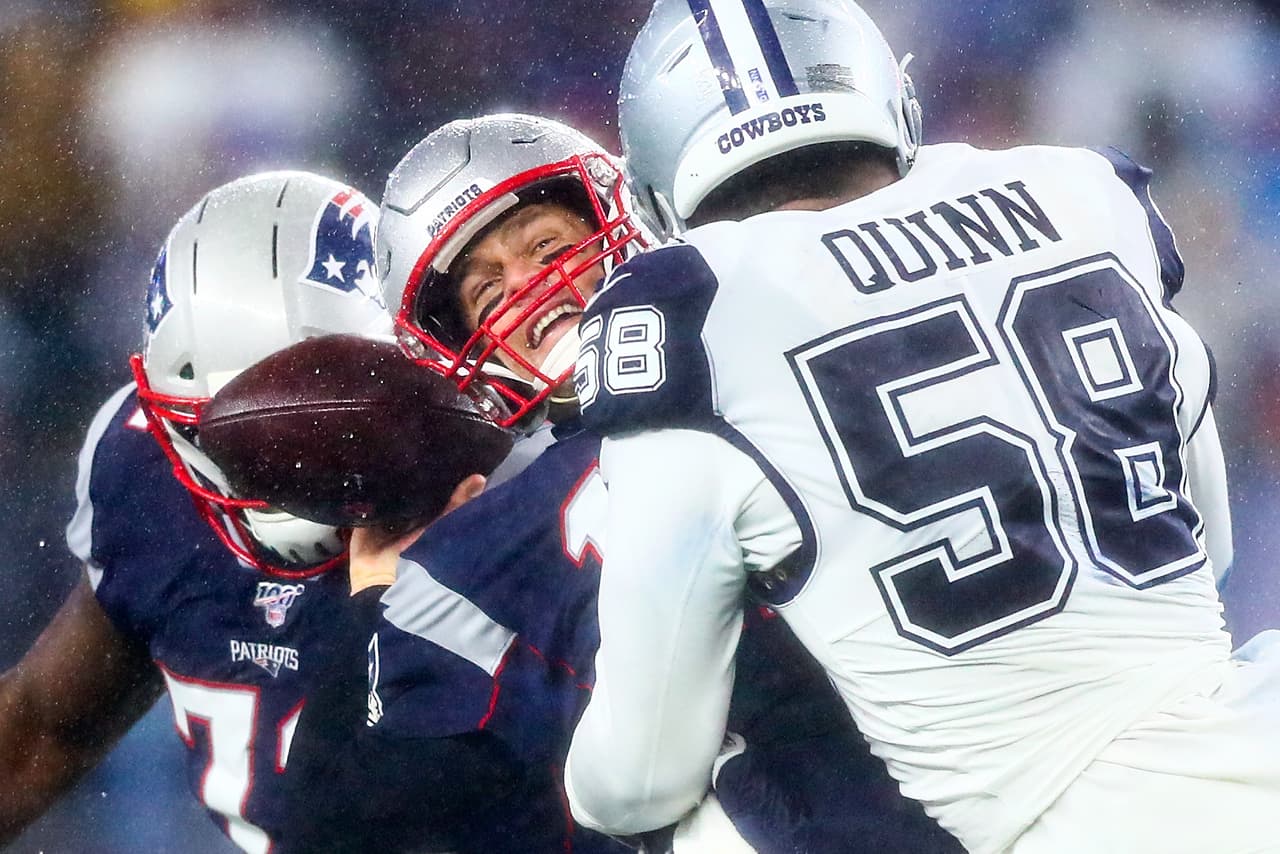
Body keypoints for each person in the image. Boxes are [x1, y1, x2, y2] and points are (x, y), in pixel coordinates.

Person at [564, 1, 1264, 852]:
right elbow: (1208, 549)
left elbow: (636, 781)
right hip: (1248, 738)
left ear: (652, 188)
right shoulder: (1080, 192)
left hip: (1084, 828)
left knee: (716, 822)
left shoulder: (693, 315)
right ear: (892, 99)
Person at [282, 112, 958, 853]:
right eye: (486, 290)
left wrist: (380, 602)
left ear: (617, 225)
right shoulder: (483, 544)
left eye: (547, 247)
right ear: (457, 346)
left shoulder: (486, 549)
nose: (530, 288)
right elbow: (340, 810)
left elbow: (323, 817)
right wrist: (376, 601)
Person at [0, 171, 395, 852]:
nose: (279, 455)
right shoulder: (149, 479)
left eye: (303, 408)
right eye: (234, 424)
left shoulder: (488, 488)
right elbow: (42, 732)